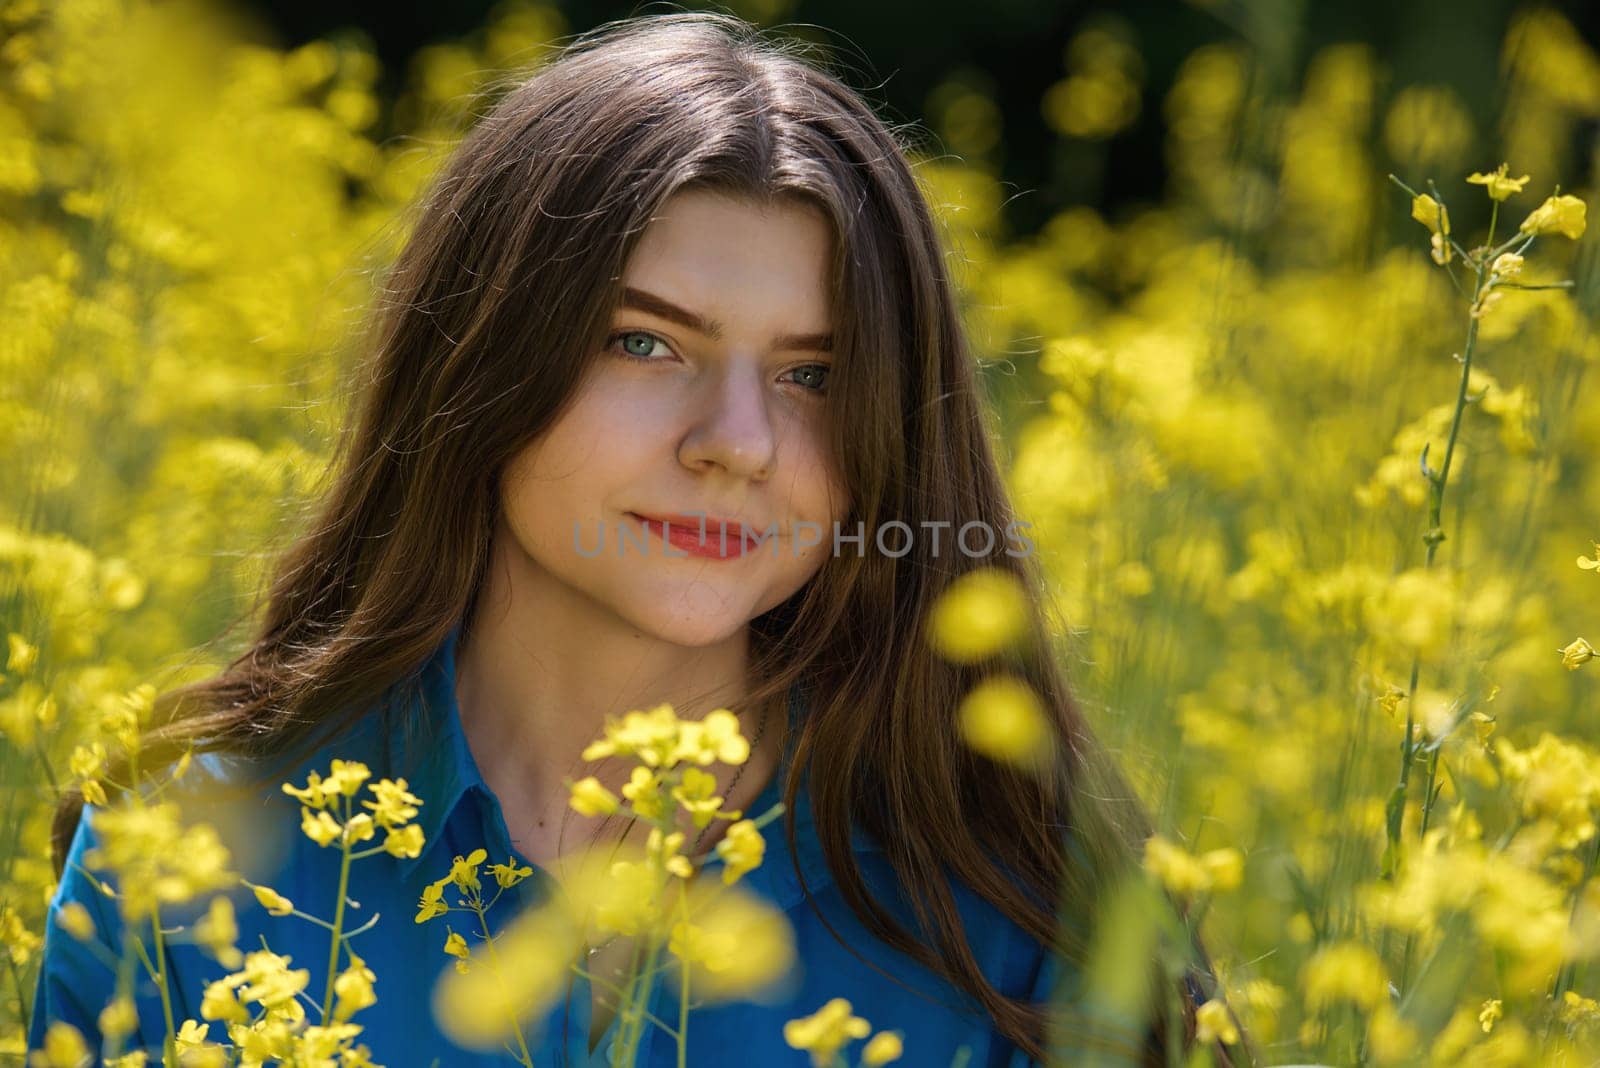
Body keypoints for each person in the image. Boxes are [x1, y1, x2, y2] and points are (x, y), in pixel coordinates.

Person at [28, 12, 1246, 1067]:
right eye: (645, 343)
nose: (738, 441)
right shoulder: (182, 848)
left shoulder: (1016, 903)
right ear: (481, 364)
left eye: (814, 373)